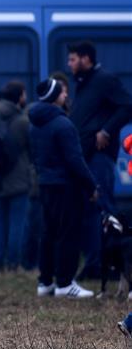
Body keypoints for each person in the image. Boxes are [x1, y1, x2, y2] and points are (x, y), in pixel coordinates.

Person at [67, 41, 132, 280]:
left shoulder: (105, 80)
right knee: (91, 212)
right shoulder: (84, 83)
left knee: (104, 210)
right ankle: (95, 263)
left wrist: (106, 130)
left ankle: (115, 266)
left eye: (73, 59)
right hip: (86, 157)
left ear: (86, 59)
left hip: (100, 156)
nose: (69, 64)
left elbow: (127, 106)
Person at [29, 79, 99, 298]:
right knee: (68, 234)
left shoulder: (35, 123)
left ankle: (45, 282)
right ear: (55, 97)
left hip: (45, 184)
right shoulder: (63, 124)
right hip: (66, 186)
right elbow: (75, 160)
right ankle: (65, 283)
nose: (65, 95)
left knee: (48, 233)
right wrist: (91, 185)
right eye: (61, 93)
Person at [0, 81, 32, 271]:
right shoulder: (23, 121)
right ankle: (14, 263)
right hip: (19, 180)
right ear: (20, 96)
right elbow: (31, 150)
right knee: (17, 225)